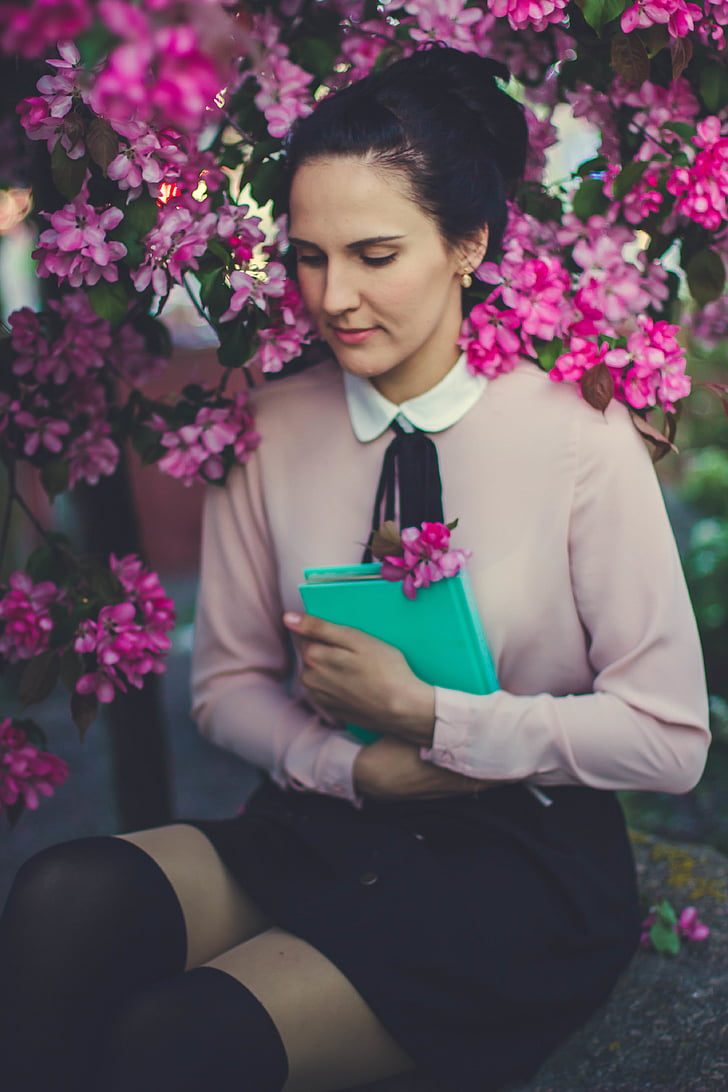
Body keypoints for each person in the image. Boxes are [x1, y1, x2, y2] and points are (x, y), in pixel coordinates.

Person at [0, 45, 710, 1092]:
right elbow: (229, 687)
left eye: (374, 254)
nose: (334, 297)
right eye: (307, 257)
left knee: (181, 1038)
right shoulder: (272, 429)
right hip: (324, 812)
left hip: (520, 851)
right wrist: (349, 766)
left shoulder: (580, 441)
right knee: (62, 896)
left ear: (466, 243)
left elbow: (668, 737)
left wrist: (435, 720)